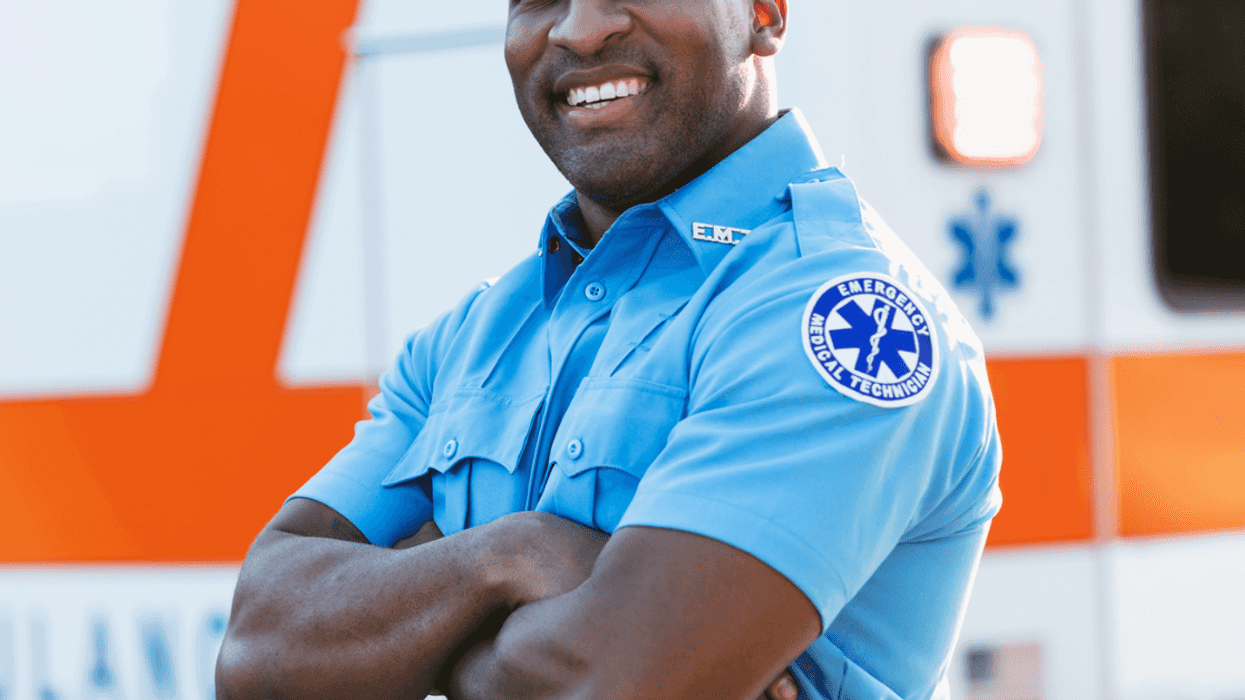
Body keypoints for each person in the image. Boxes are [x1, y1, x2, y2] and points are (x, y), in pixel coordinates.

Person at [216, 0, 1002, 698]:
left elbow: (614, 683)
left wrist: (414, 636)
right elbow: (257, 653)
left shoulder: (838, 315)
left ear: (765, 13)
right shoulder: (474, 333)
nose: (580, 27)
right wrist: (511, 555)